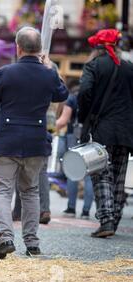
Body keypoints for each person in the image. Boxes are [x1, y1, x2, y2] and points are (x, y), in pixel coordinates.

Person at [0, 27, 68, 259]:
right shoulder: (48, 73)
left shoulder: (6, 73)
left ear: (18, 47)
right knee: (30, 191)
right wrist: (50, 68)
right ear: (39, 50)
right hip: (36, 140)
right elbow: (62, 94)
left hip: (7, 139)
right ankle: (32, 243)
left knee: (3, 190)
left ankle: (6, 238)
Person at [78, 29, 133, 237]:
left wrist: (84, 118)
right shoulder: (129, 68)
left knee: (101, 173)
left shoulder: (94, 66)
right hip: (127, 131)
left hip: (102, 128)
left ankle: (107, 219)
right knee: (118, 177)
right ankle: (114, 220)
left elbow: (84, 92)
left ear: (96, 47)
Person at [55, 83, 94, 219]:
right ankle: (86, 211)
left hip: (75, 137)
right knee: (90, 174)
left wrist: (51, 126)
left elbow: (63, 120)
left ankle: (71, 208)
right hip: (92, 138)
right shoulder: (97, 97)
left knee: (73, 173)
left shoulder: (73, 98)